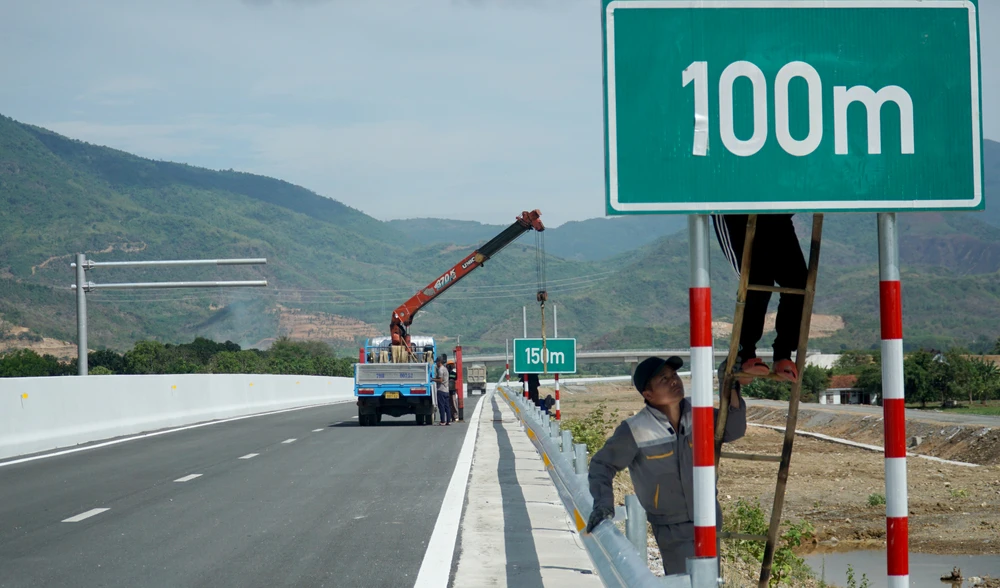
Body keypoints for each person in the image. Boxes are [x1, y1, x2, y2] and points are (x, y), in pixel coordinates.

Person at [585, 356, 747, 575]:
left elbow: (733, 430)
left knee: (710, 579)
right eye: (663, 379)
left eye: (674, 375)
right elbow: (602, 464)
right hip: (671, 526)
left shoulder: (699, 413)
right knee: (685, 581)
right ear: (648, 394)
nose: (674, 381)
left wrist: (731, 386)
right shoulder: (635, 430)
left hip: (709, 515)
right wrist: (603, 503)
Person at [712, 213, 807, 383]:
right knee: (756, 282)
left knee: (798, 283)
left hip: (776, 214)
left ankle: (783, 354)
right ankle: (744, 354)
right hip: (737, 214)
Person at [433, 356, 451, 426]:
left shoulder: (440, 370)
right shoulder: (445, 369)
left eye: (437, 362)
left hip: (441, 390)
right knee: (447, 406)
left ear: (439, 362)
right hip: (446, 390)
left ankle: (443, 421)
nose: (436, 364)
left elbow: (440, 380)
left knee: (441, 406)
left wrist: (433, 379)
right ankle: (448, 421)